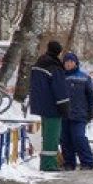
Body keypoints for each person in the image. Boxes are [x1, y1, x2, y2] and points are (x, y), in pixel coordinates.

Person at [29, 40, 70, 171]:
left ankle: (47, 162)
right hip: (53, 107)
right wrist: (65, 108)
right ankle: (49, 164)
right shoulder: (54, 67)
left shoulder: (38, 64)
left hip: (40, 105)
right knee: (52, 137)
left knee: (46, 135)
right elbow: (60, 89)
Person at [60, 51, 93, 170]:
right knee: (65, 139)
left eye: (71, 62)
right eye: (67, 62)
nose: (69, 64)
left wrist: (91, 111)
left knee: (79, 137)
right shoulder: (59, 77)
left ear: (75, 63)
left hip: (79, 114)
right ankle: (69, 163)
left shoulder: (84, 78)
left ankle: (87, 162)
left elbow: (91, 96)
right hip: (63, 114)